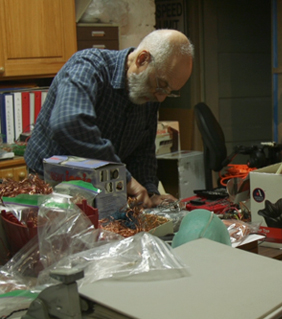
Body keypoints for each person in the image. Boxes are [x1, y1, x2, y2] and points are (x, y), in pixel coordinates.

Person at [24, 29, 194, 208]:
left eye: (169, 92)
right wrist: (122, 176)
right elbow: (69, 123)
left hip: (99, 187)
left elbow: (142, 152)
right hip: (51, 183)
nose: (161, 98)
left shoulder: (149, 94)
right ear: (142, 59)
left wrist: (150, 192)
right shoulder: (89, 65)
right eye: (162, 85)